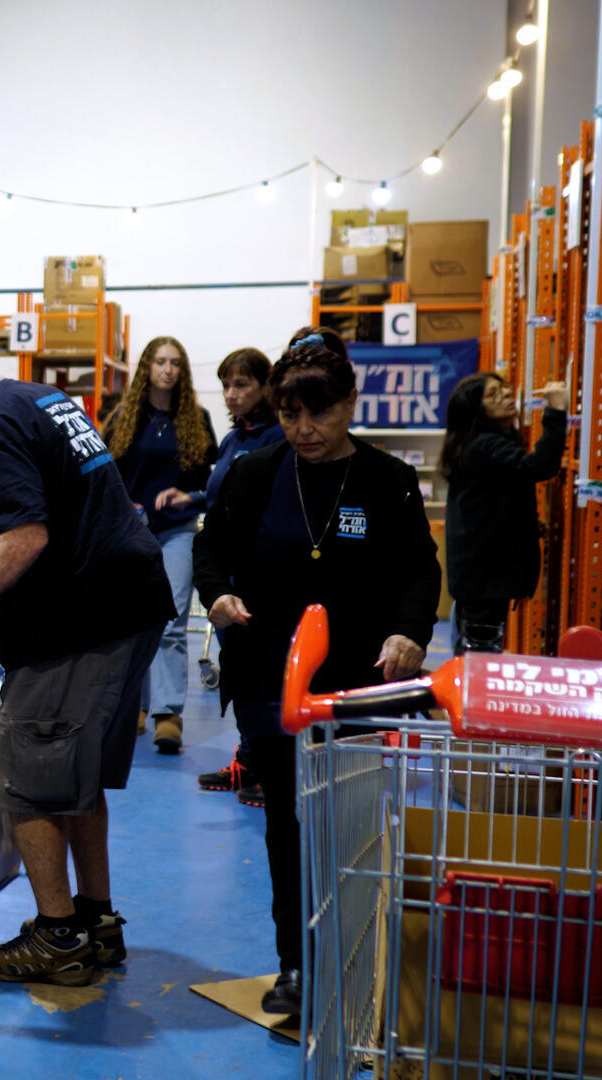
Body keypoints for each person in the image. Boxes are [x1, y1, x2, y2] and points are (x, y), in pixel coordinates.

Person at [0, 340, 171, 988]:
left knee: (27, 772)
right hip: (127, 604)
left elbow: (26, 536)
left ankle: (58, 940)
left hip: (79, 623)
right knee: (75, 775)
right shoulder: (42, 400)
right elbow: (60, 513)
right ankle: (96, 919)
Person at [193, 328, 438, 1017]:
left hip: (356, 678)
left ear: (351, 403)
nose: (304, 429)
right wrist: (217, 595)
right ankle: (296, 965)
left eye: (320, 413)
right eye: (290, 414)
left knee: (349, 820)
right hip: (270, 677)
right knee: (288, 823)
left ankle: (355, 952)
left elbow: (420, 568)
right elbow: (211, 552)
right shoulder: (253, 474)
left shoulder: (387, 481)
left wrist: (409, 631)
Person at [159, 347, 286, 805]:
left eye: (241, 385)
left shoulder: (278, 437)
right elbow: (220, 494)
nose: (231, 394)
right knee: (238, 673)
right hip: (225, 575)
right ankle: (247, 760)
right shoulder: (234, 438)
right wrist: (190, 499)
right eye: (226, 386)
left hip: (259, 573)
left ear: (266, 387)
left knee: (265, 676)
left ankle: (270, 768)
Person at [103, 336, 218, 754]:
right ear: (147, 368)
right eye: (160, 362)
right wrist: (125, 504)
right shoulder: (123, 418)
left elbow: (211, 483)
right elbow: (106, 476)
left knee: (171, 621)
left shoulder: (197, 419)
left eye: (175, 363)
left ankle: (167, 715)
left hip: (178, 531)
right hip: (132, 534)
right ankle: (134, 704)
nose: (168, 370)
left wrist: (190, 497)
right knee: (133, 622)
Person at [442, 372, 569, 652]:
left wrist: (526, 523)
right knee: (480, 649)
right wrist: (556, 410)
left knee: (476, 643)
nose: (507, 395)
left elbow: (494, 497)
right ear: (476, 410)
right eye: (493, 394)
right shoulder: (485, 444)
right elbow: (539, 466)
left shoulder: (477, 443)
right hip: (483, 578)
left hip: (478, 575)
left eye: (504, 389)